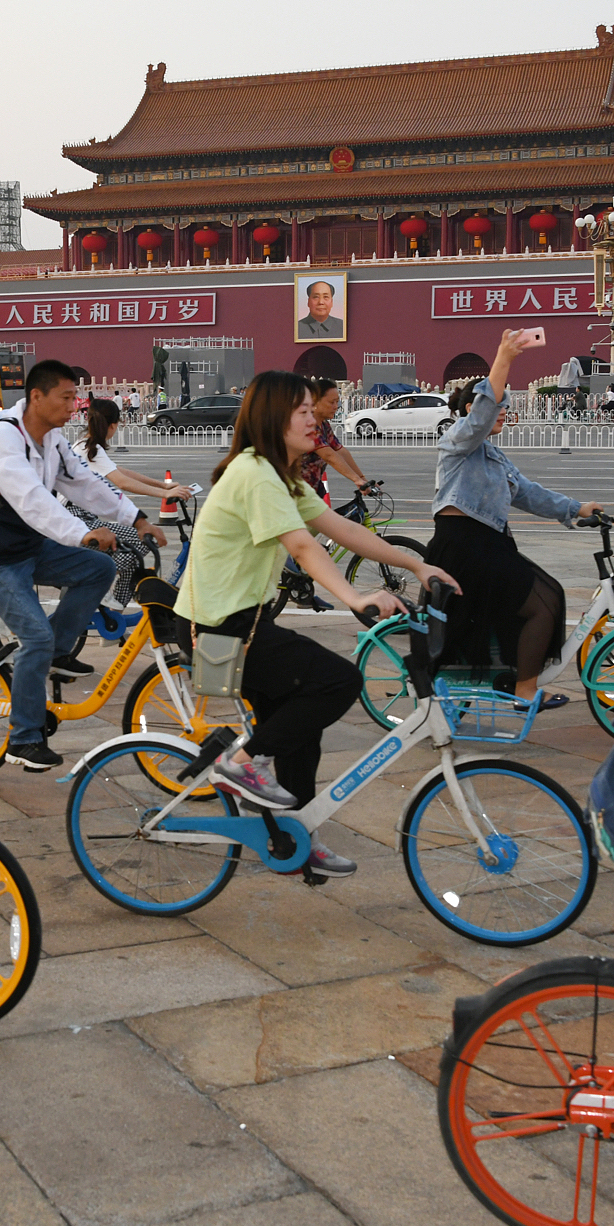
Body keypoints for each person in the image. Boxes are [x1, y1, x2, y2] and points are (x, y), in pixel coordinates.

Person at [176, 370, 455, 875]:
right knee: (337, 681)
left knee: (301, 733)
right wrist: (354, 596)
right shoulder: (254, 472)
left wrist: (417, 564)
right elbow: (303, 547)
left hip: (246, 623)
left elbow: (339, 528)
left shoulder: (280, 475)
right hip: (216, 629)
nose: (314, 420)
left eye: (313, 410)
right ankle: (240, 762)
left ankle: (294, 839)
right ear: (272, 418)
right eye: (303, 411)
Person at [0, 360, 162, 771]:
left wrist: (136, 517)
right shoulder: (3, 437)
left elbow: (85, 483)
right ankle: (23, 739)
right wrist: (82, 534)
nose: (75, 407)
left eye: (76, 397)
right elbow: (30, 497)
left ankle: (56, 653)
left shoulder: (52, 440)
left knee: (98, 569)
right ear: (37, 396)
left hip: (30, 549)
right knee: (33, 637)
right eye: (67, 397)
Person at [428, 328, 602, 701]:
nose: (503, 412)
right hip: (464, 548)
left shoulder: (495, 457)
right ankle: (525, 692)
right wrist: (503, 358)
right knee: (543, 601)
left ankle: (518, 681)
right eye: (498, 405)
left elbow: (528, 493)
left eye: (505, 407)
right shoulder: (457, 440)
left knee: (548, 599)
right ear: (471, 409)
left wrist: (576, 508)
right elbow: (479, 418)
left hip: (488, 546)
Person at [74, 398, 183, 607]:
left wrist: (163, 486)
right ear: (113, 425)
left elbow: (121, 471)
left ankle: (114, 615)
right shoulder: (91, 448)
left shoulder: (86, 446)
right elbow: (123, 482)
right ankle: (99, 583)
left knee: (132, 556)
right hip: (79, 519)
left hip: (80, 516)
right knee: (142, 540)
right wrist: (164, 494)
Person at [299, 377, 370, 496]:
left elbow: (340, 451)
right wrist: (356, 479)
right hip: (294, 491)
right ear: (315, 401)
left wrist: (362, 478)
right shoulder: (306, 426)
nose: (336, 406)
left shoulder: (324, 425)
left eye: (337, 402)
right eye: (331, 402)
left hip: (312, 489)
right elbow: (328, 455)